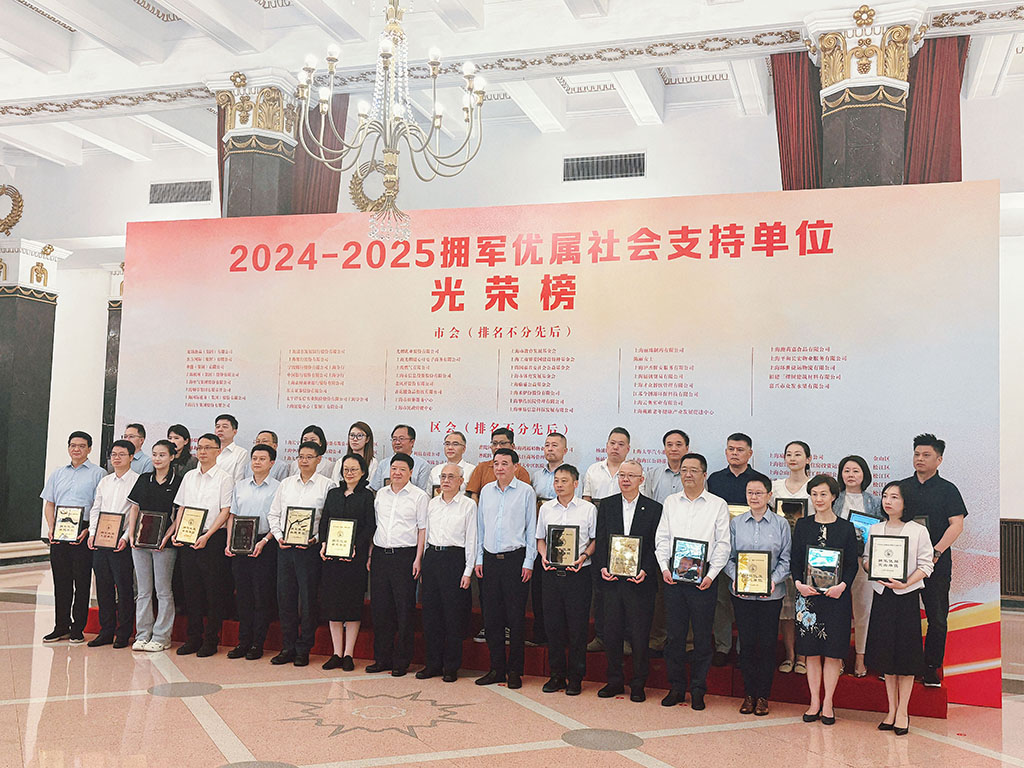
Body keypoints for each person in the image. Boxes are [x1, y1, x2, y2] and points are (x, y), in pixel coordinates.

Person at [655, 453, 730, 710]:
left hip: (704, 579)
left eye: (694, 470)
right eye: (684, 470)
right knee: (675, 636)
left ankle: (698, 689)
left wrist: (711, 574)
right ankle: (676, 687)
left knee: (701, 636)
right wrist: (664, 568)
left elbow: (723, 544)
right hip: (673, 577)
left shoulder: (717, 504)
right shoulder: (671, 502)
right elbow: (662, 538)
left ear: (704, 474)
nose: (688, 474)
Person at [863, 480, 934, 735]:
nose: (888, 501)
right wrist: (872, 568)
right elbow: (866, 559)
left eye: (894, 497)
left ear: (905, 502)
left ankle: (903, 711)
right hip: (883, 597)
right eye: (885, 496)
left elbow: (926, 565)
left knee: (906, 657)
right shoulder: (875, 528)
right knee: (886, 657)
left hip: (906, 598)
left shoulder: (918, 531)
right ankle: (891, 710)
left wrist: (905, 582)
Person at [900, 433, 968, 688]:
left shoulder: (948, 490)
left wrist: (935, 553)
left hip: (936, 564)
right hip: (904, 563)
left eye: (926, 455)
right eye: (917, 454)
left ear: (939, 460)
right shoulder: (902, 488)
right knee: (902, 616)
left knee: (937, 618)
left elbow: (956, 525)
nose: (920, 458)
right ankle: (900, 664)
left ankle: (931, 668)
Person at [791, 474, 858, 725]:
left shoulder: (846, 528)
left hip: (836, 598)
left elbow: (851, 565)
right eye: (814, 494)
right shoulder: (803, 525)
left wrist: (842, 586)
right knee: (811, 652)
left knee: (832, 653)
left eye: (823, 494)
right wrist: (799, 584)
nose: (818, 499)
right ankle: (814, 702)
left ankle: (828, 702)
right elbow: (795, 560)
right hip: (808, 599)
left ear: (833, 496)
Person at [595, 459, 662, 702]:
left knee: (639, 634)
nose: (625, 479)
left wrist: (646, 570)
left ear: (641, 480)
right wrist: (603, 566)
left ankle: (638, 683)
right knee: (612, 633)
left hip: (640, 582)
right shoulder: (607, 505)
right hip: (612, 581)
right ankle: (614, 680)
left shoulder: (654, 508)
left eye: (631, 476)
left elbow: (657, 545)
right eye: (622, 475)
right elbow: (601, 540)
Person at [724, 477, 791, 716]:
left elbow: (786, 560)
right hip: (742, 594)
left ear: (769, 495)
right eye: (750, 492)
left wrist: (772, 581)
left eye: (759, 493)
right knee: (747, 644)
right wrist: (736, 578)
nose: (753, 497)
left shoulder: (781, 524)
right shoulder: (736, 523)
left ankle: (763, 696)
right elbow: (728, 558)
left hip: (771, 596)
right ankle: (748, 694)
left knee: (767, 645)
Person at [706, 432, 771, 666]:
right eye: (731, 449)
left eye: (740, 450)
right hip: (721, 548)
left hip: (751, 551)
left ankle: (745, 648)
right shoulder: (714, 479)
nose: (735, 453)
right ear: (726, 452)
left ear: (750, 453)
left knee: (747, 603)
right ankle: (723, 646)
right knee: (721, 600)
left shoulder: (759, 481)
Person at [269, 440, 335, 667]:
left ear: (319, 460)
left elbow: (327, 520)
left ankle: (304, 648)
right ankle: (287, 646)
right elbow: (273, 514)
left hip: (310, 550)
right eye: (301, 457)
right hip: (285, 549)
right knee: (285, 597)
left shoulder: (327, 485)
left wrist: (315, 538)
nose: (304, 461)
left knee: (308, 599)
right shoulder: (286, 484)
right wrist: (279, 536)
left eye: (309, 457)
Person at [475, 448, 537, 689]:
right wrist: (479, 558)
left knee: (515, 618)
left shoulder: (526, 492)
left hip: (515, 560)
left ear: (516, 467)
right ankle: (496, 669)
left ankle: (515, 671)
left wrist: (528, 562)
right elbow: (481, 527)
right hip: (490, 560)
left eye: (505, 463)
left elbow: (531, 529)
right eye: (496, 463)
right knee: (492, 618)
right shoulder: (486, 491)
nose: (499, 468)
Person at [171, 433, 235, 657]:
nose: (203, 452)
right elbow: (181, 507)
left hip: (212, 538)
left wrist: (207, 536)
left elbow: (225, 511)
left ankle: (211, 640)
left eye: (208, 448)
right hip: (188, 536)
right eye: (200, 448)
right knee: (191, 590)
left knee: (213, 591)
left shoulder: (224, 478)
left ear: (218, 451)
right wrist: (178, 532)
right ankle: (193, 638)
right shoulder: (189, 476)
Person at [40, 431, 106, 644]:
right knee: (61, 581)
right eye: (73, 445)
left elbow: (99, 506)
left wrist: (89, 530)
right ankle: (61, 626)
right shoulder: (58, 473)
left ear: (89, 449)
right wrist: (51, 527)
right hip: (60, 532)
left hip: (83, 531)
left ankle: (78, 628)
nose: (76, 449)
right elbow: (49, 503)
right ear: (68, 448)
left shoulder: (99, 473)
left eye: (81, 446)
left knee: (82, 581)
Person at [536, 464, 596, 696]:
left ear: (575, 483)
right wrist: (544, 556)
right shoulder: (546, 509)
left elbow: (595, 540)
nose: (559, 485)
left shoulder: (588, 509)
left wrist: (584, 556)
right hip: (551, 574)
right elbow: (540, 539)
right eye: (556, 481)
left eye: (564, 481)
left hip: (578, 575)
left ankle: (575, 678)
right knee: (553, 627)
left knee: (577, 628)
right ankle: (557, 675)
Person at [366, 453, 428, 676]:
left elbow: (423, 529)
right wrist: (371, 554)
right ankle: (382, 659)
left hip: (405, 557)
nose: (397, 473)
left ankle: (402, 661)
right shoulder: (381, 494)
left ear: (410, 472)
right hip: (380, 555)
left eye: (402, 469)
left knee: (404, 610)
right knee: (380, 609)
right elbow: (376, 526)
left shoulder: (419, 496)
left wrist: (418, 558)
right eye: (394, 469)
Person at [418, 463, 477, 681]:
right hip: (433, 558)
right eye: (443, 476)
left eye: (451, 477)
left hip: (455, 559)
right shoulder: (432, 504)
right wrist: (423, 564)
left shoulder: (468, 505)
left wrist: (468, 571)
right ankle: (433, 664)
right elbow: (426, 536)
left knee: (453, 615)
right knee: (431, 615)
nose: (446, 480)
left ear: (461, 481)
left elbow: (472, 539)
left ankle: (451, 666)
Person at [320, 453, 376, 671]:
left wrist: (356, 546)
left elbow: (370, 526)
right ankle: (336, 653)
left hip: (355, 559)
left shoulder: (367, 496)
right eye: (346, 469)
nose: (349, 473)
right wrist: (324, 543)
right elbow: (325, 521)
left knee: (352, 605)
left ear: (362, 472)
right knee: (333, 605)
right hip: (332, 558)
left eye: (354, 469)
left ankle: (348, 654)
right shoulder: (333, 493)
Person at [225, 443, 281, 661]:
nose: (257, 462)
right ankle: (243, 642)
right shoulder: (240, 486)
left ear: (272, 463)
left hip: (265, 543)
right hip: (240, 543)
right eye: (254, 458)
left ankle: (258, 643)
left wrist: (265, 541)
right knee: (243, 595)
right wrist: (229, 542)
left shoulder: (278, 487)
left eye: (262, 459)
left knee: (261, 595)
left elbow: (278, 519)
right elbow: (232, 515)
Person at [127, 440, 182, 652]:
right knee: (143, 590)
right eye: (155, 454)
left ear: (172, 457)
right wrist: (131, 534)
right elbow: (135, 508)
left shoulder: (178, 482)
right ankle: (142, 634)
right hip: (140, 542)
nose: (157, 459)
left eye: (162, 455)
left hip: (165, 545)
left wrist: (168, 536)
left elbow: (180, 513)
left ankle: (161, 636)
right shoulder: (144, 479)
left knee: (163, 591)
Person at [87, 439, 139, 648]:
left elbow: (136, 514)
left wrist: (126, 537)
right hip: (101, 541)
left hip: (122, 543)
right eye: (114, 454)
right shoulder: (105, 481)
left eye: (122, 454)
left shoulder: (138, 481)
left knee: (125, 588)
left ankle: (123, 633)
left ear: (131, 457)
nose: (116, 458)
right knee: (103, 586)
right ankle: (106, 631)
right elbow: (96, 509)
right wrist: (92, 533)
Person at [583, 427, 631, 653]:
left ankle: (626, 639)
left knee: (626, 592)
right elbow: (586, 503)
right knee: (601, 589)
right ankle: (601, 636)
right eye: (612, 443)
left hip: (626, 537)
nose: (615, 447)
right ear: (606, 445)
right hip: (599, 534)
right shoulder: (594, 470)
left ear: (628, 448)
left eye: (621, 444)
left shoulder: (633, 471)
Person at [643, 429, 690, 657]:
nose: (674, 448)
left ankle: (687, 643)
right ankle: (658, 640)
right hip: (659, 542)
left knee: (688, 595)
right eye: (669, 444)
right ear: (664, 449)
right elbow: (646, 506)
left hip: (688, 545)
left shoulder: (694, 474)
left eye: (678, 444)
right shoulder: (653, 474)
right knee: (660, 594)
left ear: (687, 448)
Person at [835, 455, 882, 677]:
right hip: (839, 563)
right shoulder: (834, 498)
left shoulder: (874, 501)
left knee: (864, 610)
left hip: (864, 562)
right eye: (846, 470)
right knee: (839, 611)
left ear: (865, 475)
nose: (851, 475)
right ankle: (838, 656)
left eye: (856, 471)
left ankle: (860, 657)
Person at [773, 440, 812, 675]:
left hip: (807, 555)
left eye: (798, 454)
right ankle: (789, 655)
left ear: (808, 459)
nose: (793, 458)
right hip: (782, 554)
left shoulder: (814, 486)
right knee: (786, 610)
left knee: (804, 607)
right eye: (789, 454)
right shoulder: (776, 487)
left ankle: (803, 657)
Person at [465, 428, 531, 502]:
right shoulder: (481, 468)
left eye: (502, 443)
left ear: (512, 446)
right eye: (495, 443)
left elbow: (525, 497)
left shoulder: (521, 471)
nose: (498, 447)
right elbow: (474, 494)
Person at [369, 425, 432, 493]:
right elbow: (375, 489)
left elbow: (422, 492)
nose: (397, 442)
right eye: (394, 439)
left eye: (401, 439)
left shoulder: (422, 466)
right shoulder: (383, 464)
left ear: (412, 442)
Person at [531, 432, 574, 502]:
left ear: (565, 451)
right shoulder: (536, 476)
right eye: (547, 445)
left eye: (554, 445)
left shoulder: (572, 475)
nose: (550, 449)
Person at [214, 413, 248, 481]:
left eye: (225, 427)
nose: (220, 429)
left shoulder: (241, 453)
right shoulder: (208, 450)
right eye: (217, 427)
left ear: (234, 432)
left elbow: (239, 480)